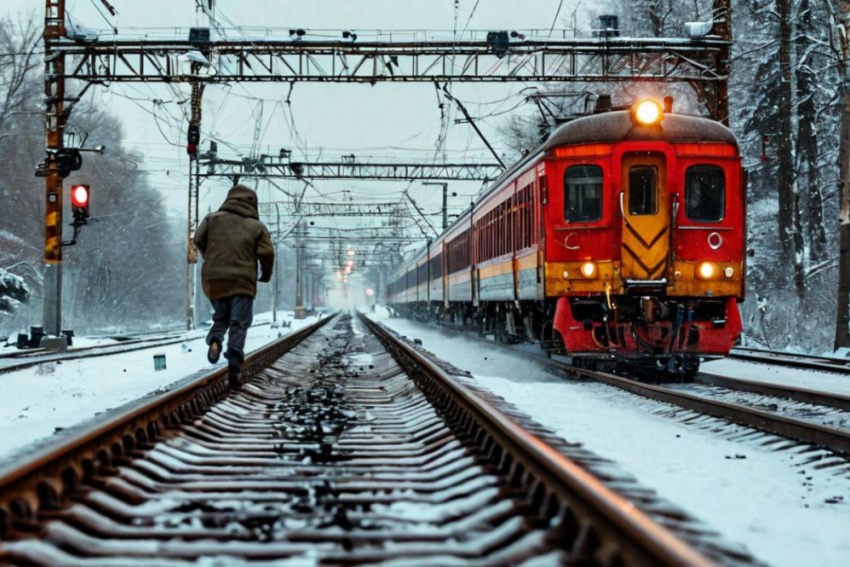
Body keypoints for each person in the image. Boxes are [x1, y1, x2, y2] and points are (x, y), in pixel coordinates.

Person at [193, 184, 275, 387]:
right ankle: (234, 362)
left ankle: (215, 340)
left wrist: (210, 258)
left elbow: (197, 239)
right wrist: (265, 274)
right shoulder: (256, 227)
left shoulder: (212, 219)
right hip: (242, 281)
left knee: (222, 317)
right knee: (239, 322)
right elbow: (267, 253)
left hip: (214, 279)